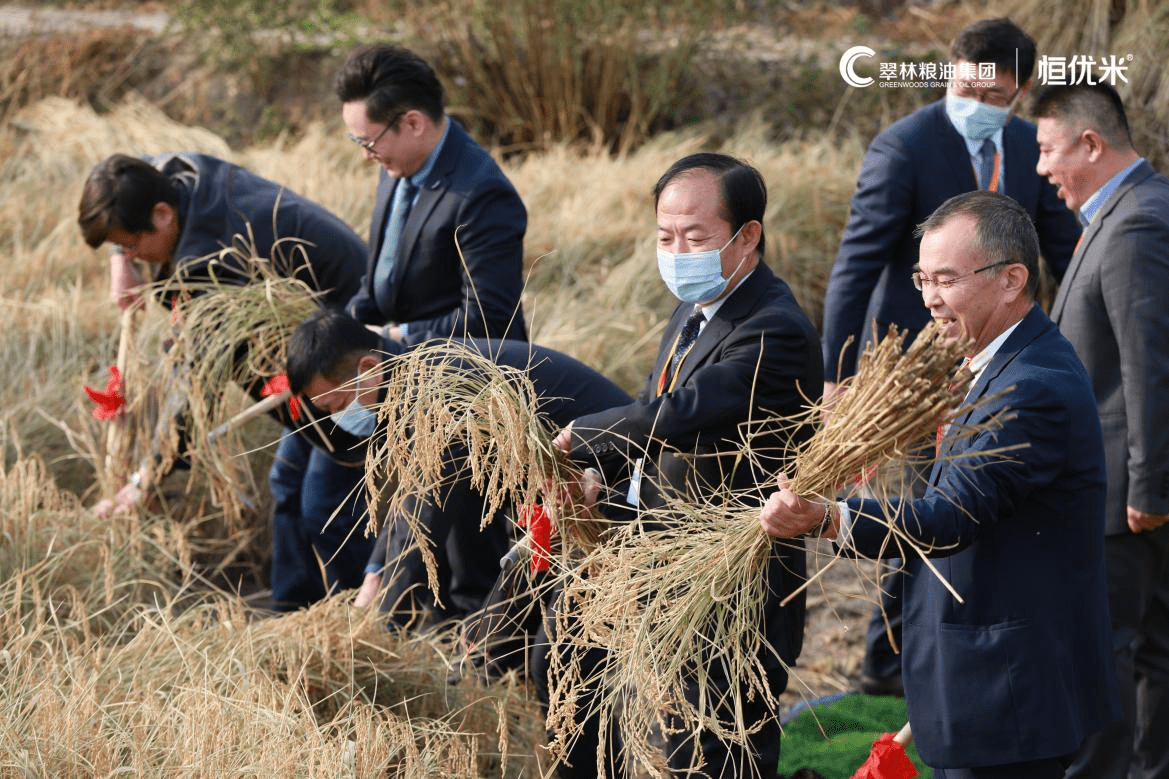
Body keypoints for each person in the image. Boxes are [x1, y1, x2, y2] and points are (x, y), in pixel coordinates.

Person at [760, 190, 1117, 778]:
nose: (929, 298)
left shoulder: (1033, 387)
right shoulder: (995, 364)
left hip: (1010, 697)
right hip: (985, 687)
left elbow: (950, 516)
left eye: (946, 280)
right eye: (922, 278)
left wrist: (830, 517)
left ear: (1011, 280)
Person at [820, 17, 1082, 695]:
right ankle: (884, 671)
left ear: (1019, 92)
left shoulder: (1028, 147)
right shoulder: (903, 146)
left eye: (993, 93)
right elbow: (856, 264)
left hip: (999, 364)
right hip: (913, 374)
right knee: (913, 508)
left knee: (976, 513)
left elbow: (1064, 254)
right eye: (963, 86)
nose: (976, 102)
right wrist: (838, 374)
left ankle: (955, 654)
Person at [553, 153, 823, 777]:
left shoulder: (772, 328)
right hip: (661, 563)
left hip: (731, 585)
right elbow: (653, 416)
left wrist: (580, 437)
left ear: (747, 235)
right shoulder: (694, 311)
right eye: (665, 236)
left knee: (712, 750)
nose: (677, 252)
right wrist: (603, 476)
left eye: (695, 237)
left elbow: (682, 413)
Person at [77, 152, 372, 611]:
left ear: (162, 215)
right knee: (289, 485)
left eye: (132, 242)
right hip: (304, 346)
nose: (133, 254)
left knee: (326, 504)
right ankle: (293, 614)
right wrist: (122, 259)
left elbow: (195, 385)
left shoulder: (209, 263)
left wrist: (149, 478)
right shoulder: (179, 174)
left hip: (347, 357)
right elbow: (139, 170)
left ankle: (369, 623)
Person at [284, 310, 632, 628]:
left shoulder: (439, 389)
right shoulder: (407, 375)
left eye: (339, 404)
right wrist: (374, 576)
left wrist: (377, 629)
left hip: (615, 477)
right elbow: (412, 494)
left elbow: (423, 515)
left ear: (369, 369)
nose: (338, 419)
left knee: (541, 641)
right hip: (556, 492)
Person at [1031, 82, 1169, 779]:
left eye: (1047, 149)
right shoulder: (1121, 210)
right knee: (1146, 644)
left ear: (1090, 144)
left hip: (1124, 491)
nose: (1039, 167)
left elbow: (1149, 363)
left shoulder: (1137, 219)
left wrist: (1145, 486)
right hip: (1123, 480)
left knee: (1109, 647)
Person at [334, 43, 527, 343]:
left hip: (464, 376)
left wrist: (390, 337)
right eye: (357, 142)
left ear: (413, 123)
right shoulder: (397, 163)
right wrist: (343, 331)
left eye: (368, 143)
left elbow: (487, 320)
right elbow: (383, 275)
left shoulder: (482, 194)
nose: (366, 156)